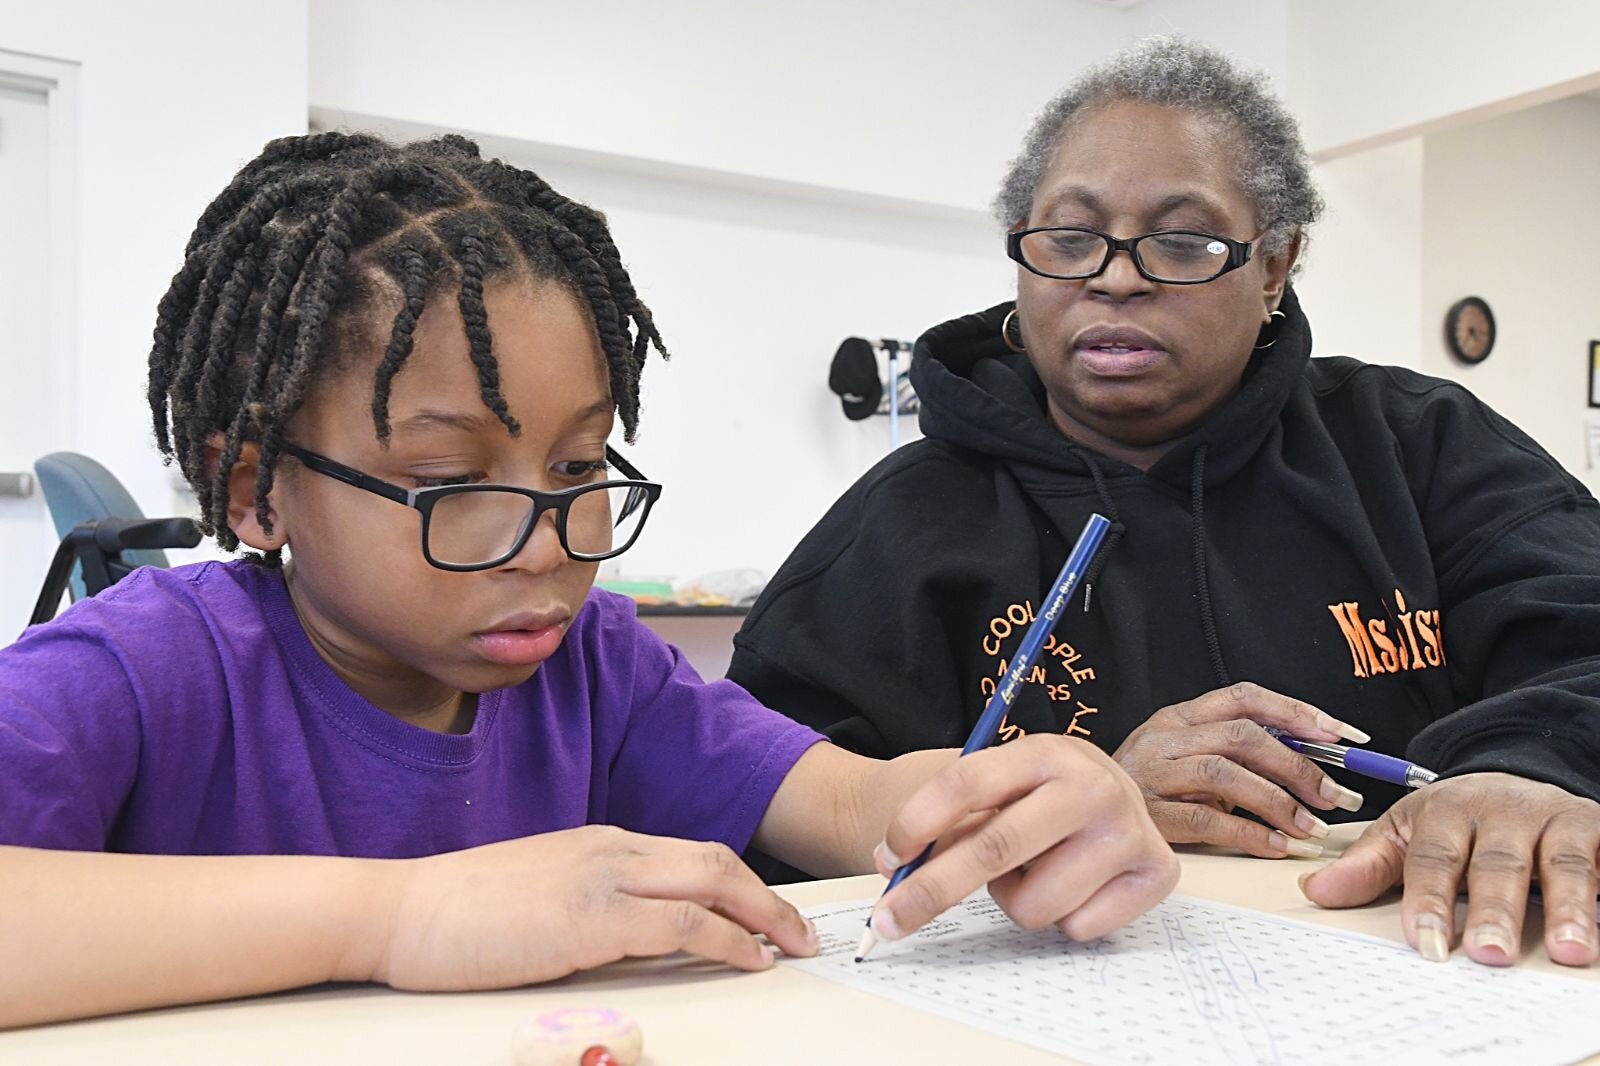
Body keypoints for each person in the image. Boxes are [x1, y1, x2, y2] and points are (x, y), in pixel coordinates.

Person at [0, 133, 1179, 1028]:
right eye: (452, 476)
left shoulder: (597, 668)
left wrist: (1020, 796)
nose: (548, 542)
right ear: (255, 487)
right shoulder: (142, 669)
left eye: (576, 465)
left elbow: (851, 804)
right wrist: (402, 913)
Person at [730, 37, 1600, 968]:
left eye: (1182, 241)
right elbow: (764, 811)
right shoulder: (899, 526)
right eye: (1069, 239)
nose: (1115, 277)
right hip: (1056, 1000)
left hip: (1429, 973)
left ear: (1275, 267)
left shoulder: (1417, 447)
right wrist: (1077, 806)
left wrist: (1522, 768)